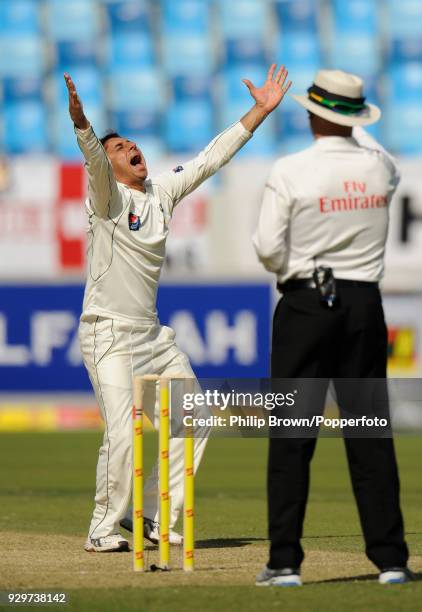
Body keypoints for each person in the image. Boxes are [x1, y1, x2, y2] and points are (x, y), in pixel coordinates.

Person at [64, 65, 292, 553]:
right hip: (107, 335)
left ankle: (152, 517)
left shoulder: (161, 192)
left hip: (149, 336)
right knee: (124, 434)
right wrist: (83, 126)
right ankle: (102, 528)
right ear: (109, 166)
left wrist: (259, 112)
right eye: (119, 147)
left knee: (196, 419)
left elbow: (210, 159)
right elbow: (95, 164)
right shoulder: (104, 200)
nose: (130, 148)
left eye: (130, 143)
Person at [253, 70, 412, 586]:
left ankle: (284, 564)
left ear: (314, 114)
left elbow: (267, 249)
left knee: (291, 436)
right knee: (370, 435)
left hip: (305, 304)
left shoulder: (292, 169)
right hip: (365, 306)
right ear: (356, 117)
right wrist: (355, 121)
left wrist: (295, 272)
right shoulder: (380, 169)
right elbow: (382, 157)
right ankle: (390, 560)